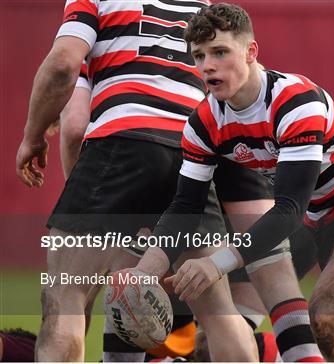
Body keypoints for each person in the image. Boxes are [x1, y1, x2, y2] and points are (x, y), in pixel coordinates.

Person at [132, 3, 334, 362]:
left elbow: (287, 209)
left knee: (328, 318)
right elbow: (184, 208)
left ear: (251, 51)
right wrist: (144, 273)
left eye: (220, 51)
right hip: (318, 215)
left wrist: (215, 263)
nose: (208, 65)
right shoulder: (203, 123)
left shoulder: (295, 102)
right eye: (199, 55)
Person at [15, 0, 257, 361]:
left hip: (121, 144)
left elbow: (64, 67)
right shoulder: (203, 5)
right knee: (219, 311)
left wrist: (32, 136)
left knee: (66, 296)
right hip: (193, 152)